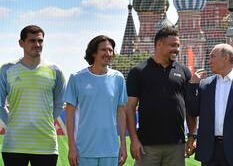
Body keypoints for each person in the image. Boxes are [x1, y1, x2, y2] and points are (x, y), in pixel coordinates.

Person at [126, 27, 197, 166]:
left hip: (176, 146)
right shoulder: (138, 71)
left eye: (178, 45)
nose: (176, 49)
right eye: (172, 45)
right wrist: (134, 140)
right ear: (159, 44)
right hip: (147, 146)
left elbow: (190, 108)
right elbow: (129, 108)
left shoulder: (184, 71)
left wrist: (192, 136)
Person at [0, 25, 66, 166]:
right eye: (32, 41)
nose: (37, 44)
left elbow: (59, 103)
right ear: (21, 43)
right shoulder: (7, 69)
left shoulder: (55, 71)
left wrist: (45, 121)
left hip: (46, 145)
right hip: (14, 144)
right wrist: (11, 123)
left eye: (40, 41)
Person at [65, 35, 127, 166]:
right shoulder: (76, 78)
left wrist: (123, 145)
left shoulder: (118, 78)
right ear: (93, 52)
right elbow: (69, 115)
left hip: (110, 149)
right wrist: (71, 146)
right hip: (84, 149)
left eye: (111, 50)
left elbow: (121, 112)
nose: (108, 53)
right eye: (104, 50)